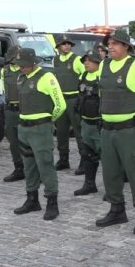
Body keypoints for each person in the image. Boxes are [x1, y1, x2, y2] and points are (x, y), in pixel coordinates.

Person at [95, 29, 135, 234]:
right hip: (107, 130)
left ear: (126, 47)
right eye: (109, 43)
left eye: (115, 43)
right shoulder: (104, 64)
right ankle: (117, 210)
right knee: (110, 172)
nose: (110, 47)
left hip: (129, 130)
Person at [13, 48, 66, 220]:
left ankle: (52, 202)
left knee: (45, 165)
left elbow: (60, 105)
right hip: (24, 128)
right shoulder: (21, 78)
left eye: (23, 65)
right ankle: (32, 199)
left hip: (40, 128)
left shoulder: (46, 77)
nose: (20, 68)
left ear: (33, 63)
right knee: (29, 166)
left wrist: (47, 121)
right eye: (19, 65)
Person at [53, 35, 86, 174]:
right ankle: (63, 159)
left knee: (79, 131)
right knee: (61, 131)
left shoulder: (77, 59)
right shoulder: (56, 60)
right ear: (59, 47)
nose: (66, 46)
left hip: (74, 98)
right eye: (63, 44)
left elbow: (85, 75)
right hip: (61, 99)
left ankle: (84, 161)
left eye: (68, 44)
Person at [73, 50, 102, 196]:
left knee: (107, 158)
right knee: (88, 155)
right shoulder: (83, 76)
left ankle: (113, 188)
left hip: (100, 124)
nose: (86, 63)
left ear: (98, 62)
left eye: (90, 60)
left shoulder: (103, 76)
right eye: (85, 60)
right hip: (86, 123)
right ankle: (89, 184)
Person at [1, 45, 25, 182]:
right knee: (13, 141)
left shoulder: (26, 70)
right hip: (10, 109)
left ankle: (34, 170)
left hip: (24, 109)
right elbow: (3, 91)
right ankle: (18, 168)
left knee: (28, 141)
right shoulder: (4, 71)